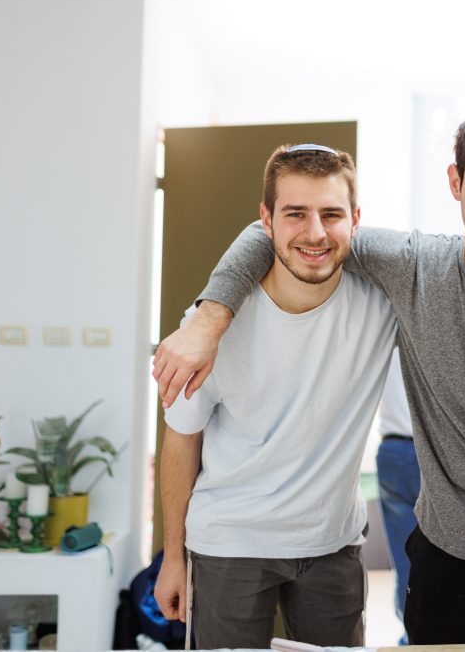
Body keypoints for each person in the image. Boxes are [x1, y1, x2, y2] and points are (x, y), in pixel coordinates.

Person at [152, 110, 465, 644]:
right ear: (454, 183)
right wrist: (211, 313)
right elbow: (279, 235)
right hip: (441, 548)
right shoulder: (413, 269)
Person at [153, 144, 397, 649]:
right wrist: (172, 557)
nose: (314, 232)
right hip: (230, 542)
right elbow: (180, 440)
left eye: (331, 214)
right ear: (265, 220)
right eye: (295, 214)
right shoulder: (209, 328)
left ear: (355, 220)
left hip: (332, 544)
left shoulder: (381, 302)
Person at [374, 348, 420, 645]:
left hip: (392, 450)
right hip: (432, 452)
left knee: (405, 556)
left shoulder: (385, 320)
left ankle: (410, 635)